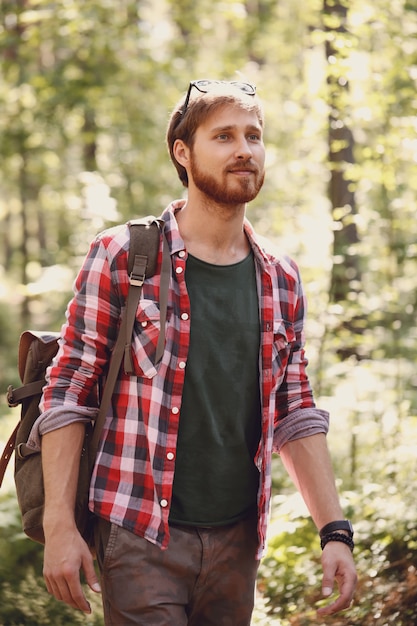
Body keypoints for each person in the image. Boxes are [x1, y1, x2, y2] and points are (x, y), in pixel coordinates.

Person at [30, 79, 357, 625]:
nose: (244, 150)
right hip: (138, 534)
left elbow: (296, 410)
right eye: (224, 136)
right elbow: (69, 391)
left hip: (237, 543)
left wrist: (335, 532)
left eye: (253, 136)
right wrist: (59, 527)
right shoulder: (123, 255)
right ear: (184, 152)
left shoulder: (281, 276)